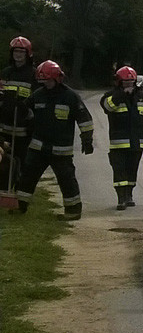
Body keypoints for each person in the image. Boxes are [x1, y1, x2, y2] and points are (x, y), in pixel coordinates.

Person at [14, 60, 94, 220]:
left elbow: (84, 119)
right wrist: (19, 109)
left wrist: (87, 139)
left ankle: (73, 211)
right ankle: (20, 206)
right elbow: (25, 109)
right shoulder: (38, 94)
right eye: (43, 81)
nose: (46, 84)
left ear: (57, 79)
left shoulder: (70, 96)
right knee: (27, 177)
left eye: (48, 81)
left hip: (61, 150)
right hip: (38, 147)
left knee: (66, 180)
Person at [100, 66, 143, 210]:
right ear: (119, 82)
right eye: (125, 82)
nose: (129, 85)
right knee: (119, 170)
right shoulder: (110, 96)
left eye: (131, 82)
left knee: (132, 170)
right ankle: (121, 198)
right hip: (118, 143)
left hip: (137, 142)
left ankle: (129, 195)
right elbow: (107, 107)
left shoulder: (141, 97)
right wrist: (122, 95)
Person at [0, 36, 36, 188]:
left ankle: (18, 194)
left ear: (28, 54)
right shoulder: (6, 73)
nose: (18, 54)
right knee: (4, 162)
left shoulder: (34, 74)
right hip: (4, 126)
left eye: (22, 51)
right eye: (16, 51)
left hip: (23, 128)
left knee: (22, 163)